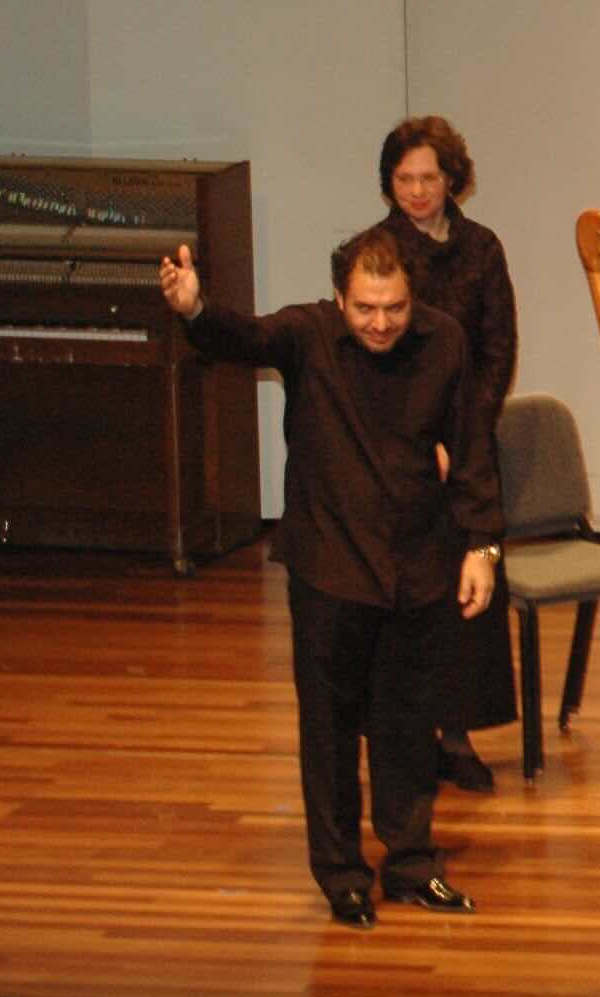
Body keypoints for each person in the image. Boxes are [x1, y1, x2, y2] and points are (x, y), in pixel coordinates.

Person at [162, 228, 500, 928]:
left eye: (395, 308)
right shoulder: (307, 334)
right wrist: (194, 308)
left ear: (413, 298)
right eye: (366, 308)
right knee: (329, 729)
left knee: (408, 725)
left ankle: (411, 865)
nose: (381, 323)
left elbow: (471, 445)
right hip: (330, 566)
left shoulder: (443, 342)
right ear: (339, 298)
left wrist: (482, 547)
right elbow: (243, 336)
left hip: (416, 562)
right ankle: (343, 875)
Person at [376, 115, 519, 794]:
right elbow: (376, 351)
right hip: (403, 448)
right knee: (411, 595)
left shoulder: (482, 248)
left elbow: (498, 350)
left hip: (467, 443)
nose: (416, 191)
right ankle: (408, 736)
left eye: (428, 178)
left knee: (471, 587)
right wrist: (421, 438)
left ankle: (457, 737)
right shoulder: (377, 253)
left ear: (451, 177)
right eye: (404, 179)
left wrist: (463, 435)